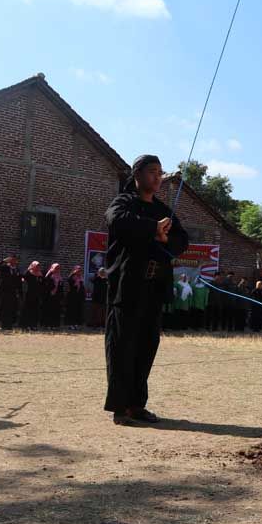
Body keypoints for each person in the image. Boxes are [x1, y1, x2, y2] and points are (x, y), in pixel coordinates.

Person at [103, 154, 189, 426]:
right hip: (128, 287)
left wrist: (165, 237)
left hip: (154, 288)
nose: (158, 177)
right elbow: (117, 221)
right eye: (152, 171)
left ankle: (137, 405)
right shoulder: (123, 202)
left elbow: (182, 240)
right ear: (137, 174)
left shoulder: (163, 209)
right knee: (122, 347)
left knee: (146, 347)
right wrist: (153, 229)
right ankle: (120, 408)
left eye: (160, 172)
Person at [0, 254, 23, 331]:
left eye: (15, 260)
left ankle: (9, 325)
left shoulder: (17, 269)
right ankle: (4, 324)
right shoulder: (5, 267)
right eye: (12, 259)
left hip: (13, 291)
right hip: (4, 290)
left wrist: (19, 292)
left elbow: (19, 282)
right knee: (4, 308)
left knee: (11, 308)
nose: (14, 261)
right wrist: (4, 261)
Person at [21, 261, 45, 330]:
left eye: (38, 266)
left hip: (37, 295)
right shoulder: (29, 273)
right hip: (29, 294)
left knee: (35, 311)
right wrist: (29, 269)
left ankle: (33, 325)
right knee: (27, 310)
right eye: (36, 266)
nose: (38, 267)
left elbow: (42, 283)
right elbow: (23, 276)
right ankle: (25, 325)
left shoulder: (40, 274)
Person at [42, 263, 64, 328]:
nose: (57, 269)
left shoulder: (59, 276)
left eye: (58, 268)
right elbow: (45, 283)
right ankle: (46, 324)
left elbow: (61, 287)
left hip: (57, 296)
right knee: (48, 310)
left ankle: (54, 325)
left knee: (55, 311)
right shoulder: (49, 275)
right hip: (49, 295)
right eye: (56, 268)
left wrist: (61, 295)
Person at [65, 265, 86, 329]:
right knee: (72, 310)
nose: (79, 271)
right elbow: (68, 280)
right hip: (72, 296)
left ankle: (76, 324)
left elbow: (82, 287)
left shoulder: (81, 278)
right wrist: (73, 273)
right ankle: (71, 324)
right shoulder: (72, 277)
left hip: (78, 297)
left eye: (80, 270)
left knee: (78, 311)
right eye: (78, 270)